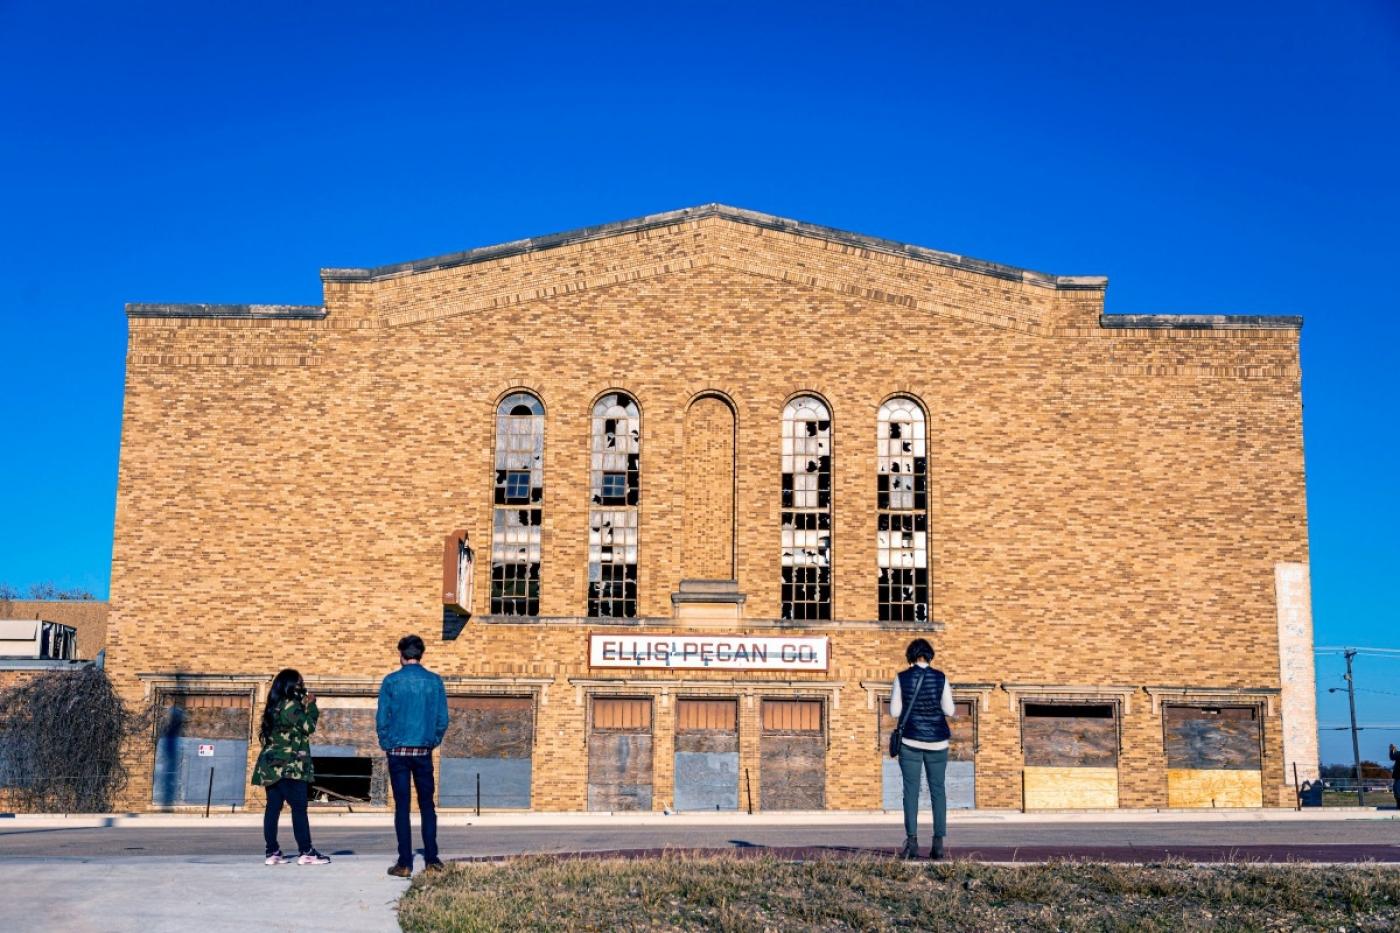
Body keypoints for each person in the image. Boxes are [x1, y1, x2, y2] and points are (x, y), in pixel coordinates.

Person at [376, 634, 449, 877]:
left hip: (398, 752)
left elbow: (382, 718)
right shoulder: (434, 682)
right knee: (427, 806)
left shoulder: (391, 681)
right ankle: (432, 860)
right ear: (421, 654)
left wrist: (388, 743)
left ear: (401, 654)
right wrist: (431, 741)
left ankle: (405, 863)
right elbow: (442, 719)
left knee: (402, 808)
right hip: (423, 752)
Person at [252, 668, 331, 865]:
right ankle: (306, 852)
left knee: (273, 808)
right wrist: (311, 705)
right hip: (290, 765)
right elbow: (308, 727)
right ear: (290, 686)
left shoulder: (274, 706)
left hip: (271, 765)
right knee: (299, 808)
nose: (302, 688)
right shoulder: (290, 705)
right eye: (299, 684)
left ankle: (272, 852)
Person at [890, 637, 955, 860]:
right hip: (938, 742)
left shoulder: (901, 678)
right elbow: (949, 710)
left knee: (911, 792)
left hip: (910, 742)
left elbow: (894, 712)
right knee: (938, 790)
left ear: (910, 655)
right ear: (929, 655)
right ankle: (938, 844)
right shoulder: (941, 678)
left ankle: (913, 842)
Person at [1390, 744, 1399, 809]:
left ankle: (1399, 805)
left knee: (1397, 791)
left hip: (1398, 776)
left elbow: (1392, 757)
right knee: (1396, 790)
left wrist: (1392, 749)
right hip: (1398, 776)